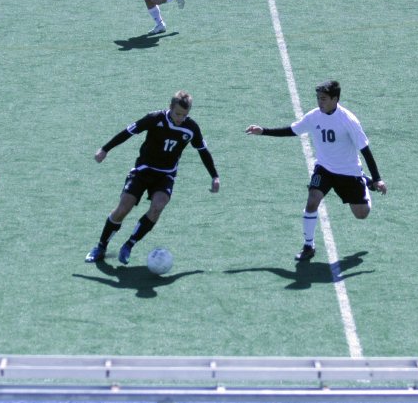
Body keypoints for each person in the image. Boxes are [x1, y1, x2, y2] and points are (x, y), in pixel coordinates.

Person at [245, 80, 387, 261]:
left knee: (361, 214)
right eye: (318, 98)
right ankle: (308, 246)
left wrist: (377, 179)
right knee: (312, 202)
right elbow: (293, 130)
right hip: (324, 169)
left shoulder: (348, 120)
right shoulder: (314, 117)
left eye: (324, 99)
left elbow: (365, 150)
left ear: (335, 99)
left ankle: (366, 182)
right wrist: (263, 131)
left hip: (348, 172)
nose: (320, 102)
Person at [86, 91, 220, 265]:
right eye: (177, 113)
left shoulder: (191, 128)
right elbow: (127, 132)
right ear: (170, 107)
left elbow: (203, 151)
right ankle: (101, 246)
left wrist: (214, 176)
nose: (180, 118)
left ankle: (129, 245)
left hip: (165, 175)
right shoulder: (154, 118)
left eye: (185, 115)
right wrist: (105, 149)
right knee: (122, 209)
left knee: (157, 207)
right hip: (143, 170)